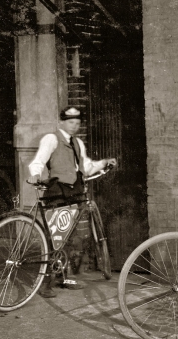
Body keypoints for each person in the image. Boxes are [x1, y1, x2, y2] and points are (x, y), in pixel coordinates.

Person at [28, 106, 117, 298]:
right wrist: (36, 175)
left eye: (77, 123)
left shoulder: (77, 143)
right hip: (57, 193)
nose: (74, 126)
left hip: (72, 193)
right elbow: (39, 161)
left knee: (67, 237)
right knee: (55, 238)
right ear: (61, 122)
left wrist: (103, 163)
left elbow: (85, 166)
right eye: (70, 122)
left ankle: (63, 278)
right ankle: (45, 284)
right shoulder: (51, 139)